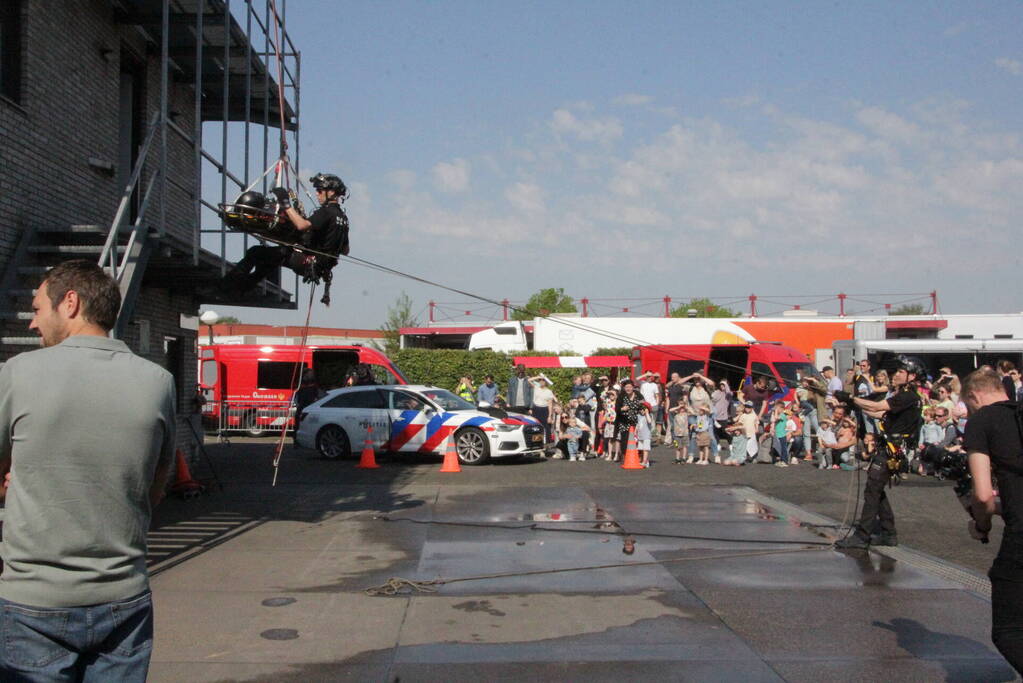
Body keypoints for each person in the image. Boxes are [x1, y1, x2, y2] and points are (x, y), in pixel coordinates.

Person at [0, 260, 176, 681]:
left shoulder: (17, 374)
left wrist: (15, 488)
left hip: (34, 603)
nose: (31, 323)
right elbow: (154, 489)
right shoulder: (158, 381)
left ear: (71, 303)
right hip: (124, 600)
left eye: (38, 308)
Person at [962, 368, 1023, 674]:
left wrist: (981, 524)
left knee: (1009, 631)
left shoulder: (982, 421)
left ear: (974, 396)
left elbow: (984, 495)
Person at [835, 355, 925, 549]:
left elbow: (877, 406)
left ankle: (862, 536)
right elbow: (877, 413)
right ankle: (888, 533)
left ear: (912, 376)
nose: (896, 374)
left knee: (872, 489)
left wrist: (851, 398)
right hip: (890, 448)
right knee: (875, 488)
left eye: (901, 371)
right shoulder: (904, 396)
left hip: (894, 449)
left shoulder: (908, 396)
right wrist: (853, 404)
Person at [223, 173, 350, 297]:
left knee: (255, 252)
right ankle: (241, 288)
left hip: (305, 263)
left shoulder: (326, 212)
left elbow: (302, 225)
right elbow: (345, 250)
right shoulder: (343, 218)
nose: (317, 193)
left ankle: (225, 285)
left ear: (332, 192)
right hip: (318, 268)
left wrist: (285, 203)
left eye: (320, 190)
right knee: (269, 260)